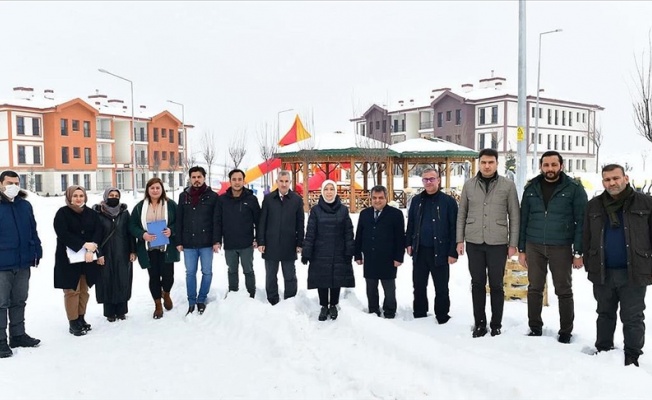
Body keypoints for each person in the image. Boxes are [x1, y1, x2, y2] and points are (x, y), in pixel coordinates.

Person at [582, 164, 652, 367]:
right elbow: (587, 237)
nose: (612, 183)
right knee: (604, 313)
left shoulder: (645, 204)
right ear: (603, 182)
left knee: (633, 316)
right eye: (607, 179)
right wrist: (590, 262)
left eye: (615, 178)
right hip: (603, 271)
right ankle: (603, 348)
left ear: (626, 178)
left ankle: (632, 354)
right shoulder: (594, 205)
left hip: (634, 271)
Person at [518, 151, 587, 343]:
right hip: (534, 244)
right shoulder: (531, 188)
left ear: (561, 166)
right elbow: (524, 219)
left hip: (561, 246)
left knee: (563, 290)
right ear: (541, 166)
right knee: (534, 288)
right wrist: (521, 249)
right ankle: (534, 327)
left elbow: (581, 222)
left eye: (554, 165)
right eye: (546, 165)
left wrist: (578, 251)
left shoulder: (574, 188)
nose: (550, 169)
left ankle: (566, 331)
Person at [456, 148, 520, 337]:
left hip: (498, 242)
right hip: (474, 241)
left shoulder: (507, 186)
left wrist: (512, 243)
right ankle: (480, 323)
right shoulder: (469, 185)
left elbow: (514, 216)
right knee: (477, 284)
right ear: (479, 163)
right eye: (483, 162)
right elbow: (462, 214)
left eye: (490, 162)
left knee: (496, 285)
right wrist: (460, 239)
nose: (487, 165)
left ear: (496, 164)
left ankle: (496, 324)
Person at [406, 168, 458, 323]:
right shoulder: (416, 201)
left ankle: (442, 316)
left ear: (438, 180)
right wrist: (408, 242)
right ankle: (420, 313)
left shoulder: (448, 202)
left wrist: (453, 251)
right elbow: (411, 224)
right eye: (425, 179)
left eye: (432, 179)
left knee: (441, 287)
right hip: (420, 250)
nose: (428, 182)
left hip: (440, 250)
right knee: (419, 286)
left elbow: (454, 227)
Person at [0, 171, 42, 358]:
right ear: (1, 183)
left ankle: (17, 334)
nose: (14, 186)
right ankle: (1, 340)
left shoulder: (24, 205)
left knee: (19, 301)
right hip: (2, 265)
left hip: (23, 262)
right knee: (1, 303)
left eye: (17, 183)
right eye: (9, 182)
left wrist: (37, 250)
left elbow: (33, 230)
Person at [301, 180, 355, 320]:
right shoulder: (316, 210)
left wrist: (350, 250)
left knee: (336, 279)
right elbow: (311, 233)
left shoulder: (343, 210)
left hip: (339, 251)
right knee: (322, 279)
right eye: (326, 189)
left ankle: (334, 305)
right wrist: (307, 252)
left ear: (335, 191)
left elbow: (348, 232)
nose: (329, 192)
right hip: (320, 252)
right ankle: (324, 306)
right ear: (322, 191)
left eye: (332, 189)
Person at [53, 185, 103, 336]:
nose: (78, 198)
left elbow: (98, 230)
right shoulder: (62, 213)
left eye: (81, 196)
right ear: (69, 197)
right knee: (71, 290)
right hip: (69, 259)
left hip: (87, 258)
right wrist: (82, 244)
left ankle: (81, 317)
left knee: (84, 290)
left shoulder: (91, 213)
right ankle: (73, 321)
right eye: (75, 196)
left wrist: (92, 247)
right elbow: (62, 233)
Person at [129, 177, 180, 319]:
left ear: (162, 189)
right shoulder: (139, 207)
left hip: (167, 248)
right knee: (154, 277)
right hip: (148, 249)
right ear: (147, 190)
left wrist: (171, 230)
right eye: (152, 188)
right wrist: (142, 234)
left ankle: (167, 293)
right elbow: (132, 226)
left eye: (158, 188)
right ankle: (157, 304)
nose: (155, 190)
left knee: (168, 276)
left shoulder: (171, 205)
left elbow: (180, 222)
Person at [354, 185, 405, 319]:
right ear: (371, 198)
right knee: (371, 287)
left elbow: (400, 238)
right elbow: (359, 235)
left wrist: (399, 257)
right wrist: (357, 254)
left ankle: (389, 311)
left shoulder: (395, 214)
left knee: (389, 288)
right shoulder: (365, 214)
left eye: (380, 198)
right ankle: (373, 310)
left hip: (388, 258)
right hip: (370, 257)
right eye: (374, 198)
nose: (377, 201)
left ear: (386, 198)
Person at [176, 166, 220, 315]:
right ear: (190, 178)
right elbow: (179, 220)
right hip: (188, 243)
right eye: (193, 177)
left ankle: (201, 299)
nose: (196, 180)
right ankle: (191, 301)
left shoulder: (213, 197)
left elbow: (216, 220)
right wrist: (179, 241)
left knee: (207, 272)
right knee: (190, 273)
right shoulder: (184, 196)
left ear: (204, 178)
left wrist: (216, 241)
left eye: (199, 177)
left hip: (207, 242)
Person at [257, 170, 304, 305]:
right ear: (277, 182)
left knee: (290, 275)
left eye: (286, 181)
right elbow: (262, 222)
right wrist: (261, 241)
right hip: (270, 244)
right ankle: (272, 300)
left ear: (290, 182)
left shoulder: (296, 200)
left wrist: (300, 242)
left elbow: (300, 223)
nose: (283, 184)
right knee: (271, 275)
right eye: (281, 181)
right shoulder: (268, 199)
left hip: (289, 244)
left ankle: (290, 300)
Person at [93, 188, 136, 322]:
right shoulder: (98, 213)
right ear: (106, 196)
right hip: (105, 253)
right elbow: (95, 235)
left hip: (122, 252)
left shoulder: (124, 213)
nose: (113, 197)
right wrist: (98, 253)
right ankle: (110, 312)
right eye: (111, 195)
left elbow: (130, 233)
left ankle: (122, 310)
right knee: (107, 280)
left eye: (116, 195)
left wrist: (132, 251)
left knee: (122, 280)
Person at [216, 169, 261, 298]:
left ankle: (251, 294)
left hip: (247, 244)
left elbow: (258, 221)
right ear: (230, 181)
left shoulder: (251, 199)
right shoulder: (222, 200)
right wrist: (217, 240)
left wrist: (258, 238)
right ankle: (233, 294)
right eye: (234, 179)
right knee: (232, 271)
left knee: (248, 270)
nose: (237, 182)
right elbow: (217, 221)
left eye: (239, 179)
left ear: (244, 181)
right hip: (230, 243)